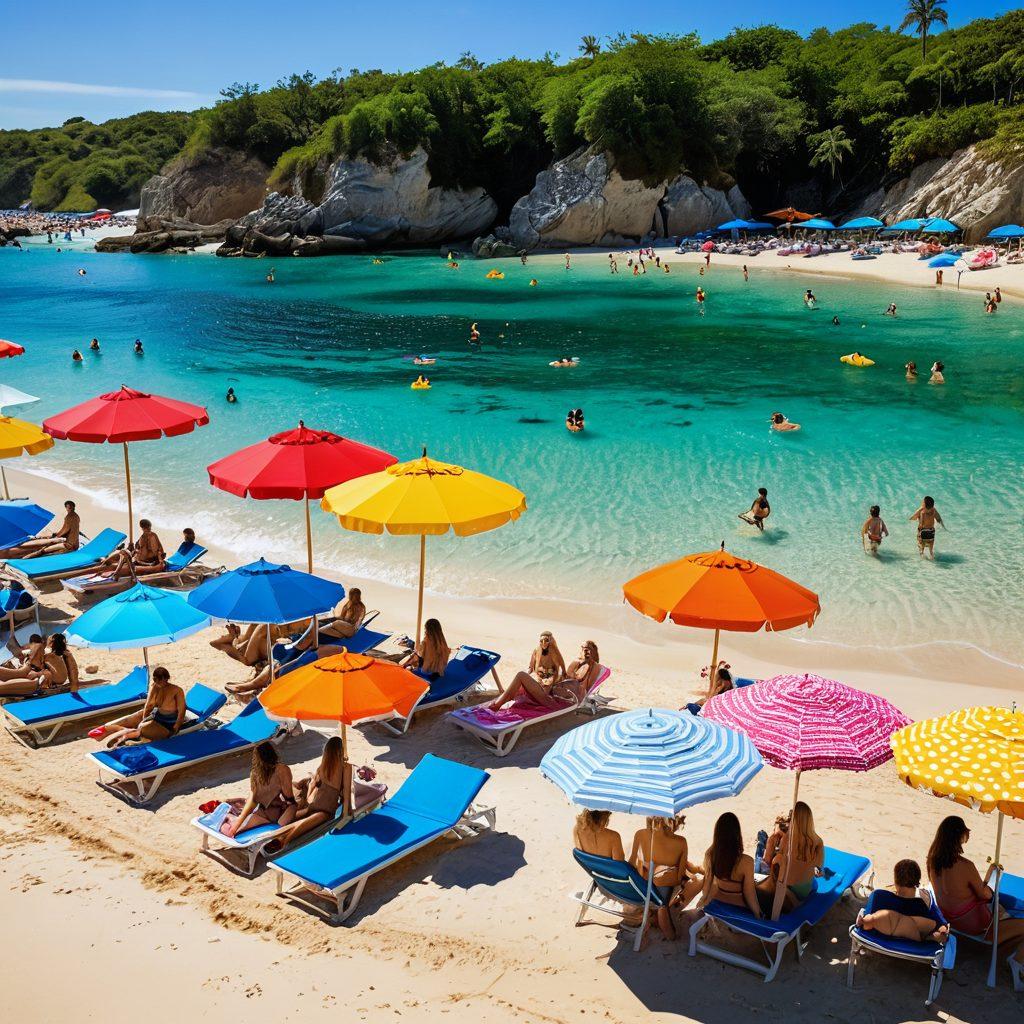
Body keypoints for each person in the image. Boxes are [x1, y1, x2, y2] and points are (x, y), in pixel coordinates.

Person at [928, 815, 1024, 973]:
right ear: (959, 836)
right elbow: (985, 895)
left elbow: (958, 891)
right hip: (975, 924)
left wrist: (988, 877)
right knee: (1010, 906)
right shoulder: (965, 865)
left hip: (949, 919)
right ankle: (1017, 961)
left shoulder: (932, 861)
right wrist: (990, 883)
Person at [266, 736, 352, 851]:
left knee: (303, 820)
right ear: (341, 750)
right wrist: (345, 814)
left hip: (315, 804)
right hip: (326, 809)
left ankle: (277, 836)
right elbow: (346, 793)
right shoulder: (346, 767)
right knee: (307, 822)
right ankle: (283, 841)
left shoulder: (322, 767)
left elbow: (313, 794)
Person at [630, 817, 705, 940]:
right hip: (662, 893)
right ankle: (665, 917)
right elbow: (679, 877)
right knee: (696, 880)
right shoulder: (680, 842)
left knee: (659, 874)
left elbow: (631, 864)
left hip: (641, 887)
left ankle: (653, 913)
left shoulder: (640, 834)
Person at [857, 859, 949, 943]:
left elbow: (865, 924)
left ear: (895, 881)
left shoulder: (879, 896)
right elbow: (941, 924)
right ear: (917, 882)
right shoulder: (923, 905)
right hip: (911, 946)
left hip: (877, 942)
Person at [756, 801, 824, 913]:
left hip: (786, 891)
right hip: (804, 891)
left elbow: (777, 864)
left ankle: (761, 841)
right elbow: (818, 873)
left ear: (794, 819)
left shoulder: (788, 839)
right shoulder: (818, 842)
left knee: (761, 861)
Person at [220, 742, 296, 838]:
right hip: (275, 815)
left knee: (230, 831)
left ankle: (230, 818)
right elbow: (289, 797)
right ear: (272, 753)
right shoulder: (282, 769)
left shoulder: (254, 773)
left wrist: (235, 827)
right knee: (293, 805)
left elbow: (252, 802)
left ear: (256, 757)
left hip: (259, 815)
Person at [101, 666, 184, 747]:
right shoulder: (156, 686)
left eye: (159, 680)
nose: (157, 682)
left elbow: (182, 710)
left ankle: (131, 739)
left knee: (143, 729)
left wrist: (176, 726)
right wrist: (144, 719)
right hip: (157, 715)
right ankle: (130, 737)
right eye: (155, 680)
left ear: (166, 678)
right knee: (138, 723)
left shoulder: (177, 690)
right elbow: (148, 705)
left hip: (168, 722)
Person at [699, 812, 761, 917]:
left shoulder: (711, 855)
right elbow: (749, 894)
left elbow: (706, 888)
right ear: (737, 834)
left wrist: (703, 902)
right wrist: (758, 915)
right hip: (738, 909)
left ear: (717, 834)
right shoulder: (747, 861)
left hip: (719, 904)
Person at [489, 631, 567, 710]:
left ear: (551, 641)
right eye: (541, 641)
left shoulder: (555, 653)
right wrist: (529, 676)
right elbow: (530, 668)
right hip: (536, 687)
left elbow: (563, 674)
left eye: (546, 640)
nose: (543, 643)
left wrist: (551, 680)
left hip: (544, 693)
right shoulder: (537, 651)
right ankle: (500, 702)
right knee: (520, 678)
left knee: (520, 675)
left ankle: (498, 705)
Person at [0, 632, 79, 697]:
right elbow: (73, 675)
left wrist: (39, 673)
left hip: (44, 680)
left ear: (51, 643)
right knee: (23, 675)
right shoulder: (61, 654)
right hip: (41, 675)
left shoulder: (52, 655)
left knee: (31, 680)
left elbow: (70, 676)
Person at [6, 499, 80, 558]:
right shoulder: (76, 516)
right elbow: (67, 530)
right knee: (46, 541)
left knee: (43, 551)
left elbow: (65, 530)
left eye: (69, 507)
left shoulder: (69, 517)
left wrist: (56, 536)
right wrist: (56, 535)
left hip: (68, 545)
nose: (68, 509)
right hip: (75, 544)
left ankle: (26, 558)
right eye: (68, 507)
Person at [96, 519, 166, 579]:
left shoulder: (151, 536)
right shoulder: (143, 537)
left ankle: (108, 569)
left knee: (124, 566)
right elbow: (140, 549)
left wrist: (159, 560)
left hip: (148, 562)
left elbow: (156, 551)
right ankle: (104, 567)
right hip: (140, 561)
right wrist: (134, 549)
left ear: (142, 527)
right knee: (121, 559)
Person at [298, 589, 366, 648]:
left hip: (350, 629)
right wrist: (327, 620)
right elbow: (341, 617)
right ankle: (307, 637)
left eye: (351, 595)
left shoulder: (360, 607)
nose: (349, 596)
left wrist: (338, 620)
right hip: (343, 625)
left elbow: (355, 622)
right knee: (321, 625)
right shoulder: (349, 604)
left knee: (335, 623)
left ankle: (315, 633)